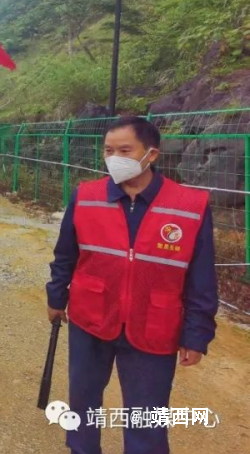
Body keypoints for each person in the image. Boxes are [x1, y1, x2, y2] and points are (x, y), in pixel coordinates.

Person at [46, 116, 218, 454]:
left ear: (151, 154)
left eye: (125, 150)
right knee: (83, 403)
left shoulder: (189, 205)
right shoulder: (87, 196)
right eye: (109, 150)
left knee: (146, 415)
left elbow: (201, 278)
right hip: (91, 318)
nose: (115, 158)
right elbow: (65, 254)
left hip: (154, 325)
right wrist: (56, 296)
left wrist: (197, 335)